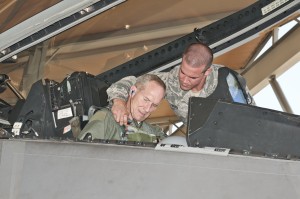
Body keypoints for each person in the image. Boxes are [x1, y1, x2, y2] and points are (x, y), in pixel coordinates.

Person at [107, 42, 255, 129]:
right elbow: (131, 83)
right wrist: (119, 102)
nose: (184, 80)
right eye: (183, 72)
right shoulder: (170, 81)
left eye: (192, 77)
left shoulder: (227, 81)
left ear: (207, 72)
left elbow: (253, 118)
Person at [77, 74, 167, 142]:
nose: (147, 109)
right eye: (146, 99)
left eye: (154, 105)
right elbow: (81, 154)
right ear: (133, 91)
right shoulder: (107, 119)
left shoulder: (155, 132)